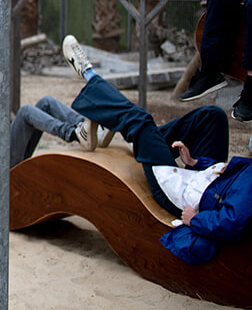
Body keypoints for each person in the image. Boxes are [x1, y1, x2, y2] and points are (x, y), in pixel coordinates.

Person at [62, 35, 250, 266]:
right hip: (206, 177)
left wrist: (196, 219)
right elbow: (236, 175)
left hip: (183, 194)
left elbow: (232, 223)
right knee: (212, 117)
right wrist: (195, 162)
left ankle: (88, 74)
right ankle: (143, 141)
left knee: (140, 121)